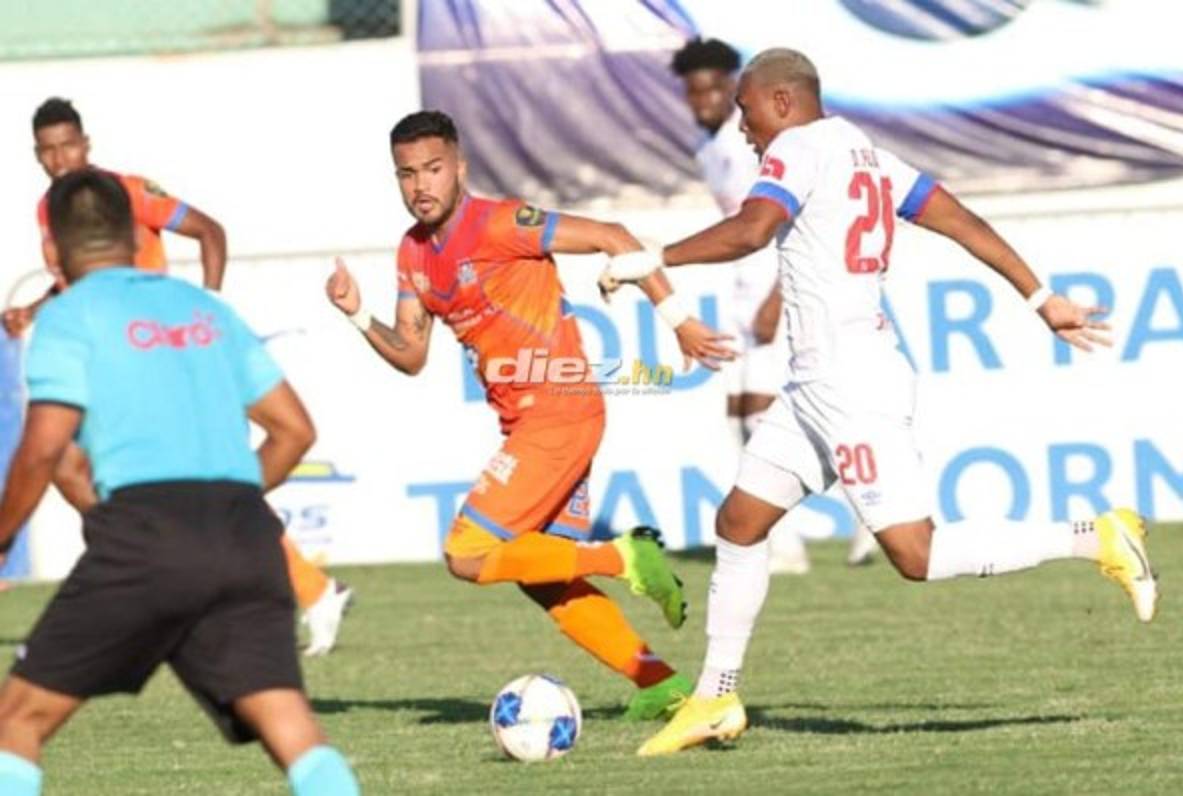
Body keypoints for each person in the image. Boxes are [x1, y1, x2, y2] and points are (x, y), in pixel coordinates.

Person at [597, 48, 1157, 756]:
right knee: (739, 523)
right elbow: (958, 218)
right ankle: (715, 697)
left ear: (780, 102)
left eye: (746, 109)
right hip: (816, 385)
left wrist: (655, 258)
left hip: (852, 386)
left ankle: (1095, 537)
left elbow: (751, 230)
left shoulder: (797, 148)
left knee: (916, 555)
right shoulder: (863, 151)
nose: (742, 126)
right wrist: (1040, 297)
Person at [325, 110, 735, 719]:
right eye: (407, 174)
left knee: (466, 553)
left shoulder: (500, 223)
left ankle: (625, 556)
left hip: (557, 414)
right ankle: (660, 684)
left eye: (433, 169)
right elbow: (411, 355)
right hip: (533, 422)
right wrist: (358, 315)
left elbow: (614, 235)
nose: (420, 185)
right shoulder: (413, 253)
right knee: (542, 574)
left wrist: (680, 321)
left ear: (460, 167)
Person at [0, 170, 359, 795]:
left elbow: (45, 450)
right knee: (289, 725)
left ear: (52, 250)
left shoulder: (68, 316)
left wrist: (3, 538)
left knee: (17, 720)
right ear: (135, 237)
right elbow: (294, 432)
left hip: (146, 534)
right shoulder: (205, 309)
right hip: (246, 537)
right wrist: (227, 501)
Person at [3, 98, 351, 656]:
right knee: (120, 472)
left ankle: (143, 580)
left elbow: (210, 232)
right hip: (112, 363)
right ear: (37, 156)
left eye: (68, 145)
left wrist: (210, 310)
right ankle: (307, 589)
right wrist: (35, 310)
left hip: (158, 357)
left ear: (86, 144)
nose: (60, 158)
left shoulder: (129, 192)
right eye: (49, 150)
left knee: (111, 470)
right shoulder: (51, 209)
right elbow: (77, 280)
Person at [670, 37, 879, 572]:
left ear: (732, 88)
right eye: (694, 92)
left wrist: (776, 296)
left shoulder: (753, 142)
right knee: (742, 415)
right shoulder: (708, 147)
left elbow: (784, 220)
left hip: (776, 286)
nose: (704, 101)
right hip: (742, 290)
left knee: (771, 416)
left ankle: (818, 536)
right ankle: (836, 525)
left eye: (713, 90)